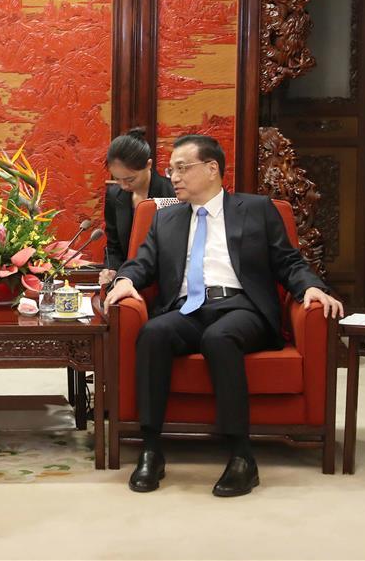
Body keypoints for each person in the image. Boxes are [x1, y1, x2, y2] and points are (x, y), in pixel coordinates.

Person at [103, 134, 343, 497]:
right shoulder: (165, 218)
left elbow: (288, 260)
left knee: (220, 338)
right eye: (172, 170)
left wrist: (310, 287)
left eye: (183, 168)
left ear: (212, 169)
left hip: (241, 308)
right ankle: (151, 449)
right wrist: (123, 280)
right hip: (187, 308)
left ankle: (242, 456)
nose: (175, 177)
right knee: (153, 333)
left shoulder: (258, 209)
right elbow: (142, 263)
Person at [100, 126, 175, 286]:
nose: (123, 186)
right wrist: (111, 269)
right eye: (118, 179)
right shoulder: (115, 195)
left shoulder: (172, 194)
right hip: (126, 280)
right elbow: (113, 246)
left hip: (164, 281)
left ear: (148, 165)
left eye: (130, 179)